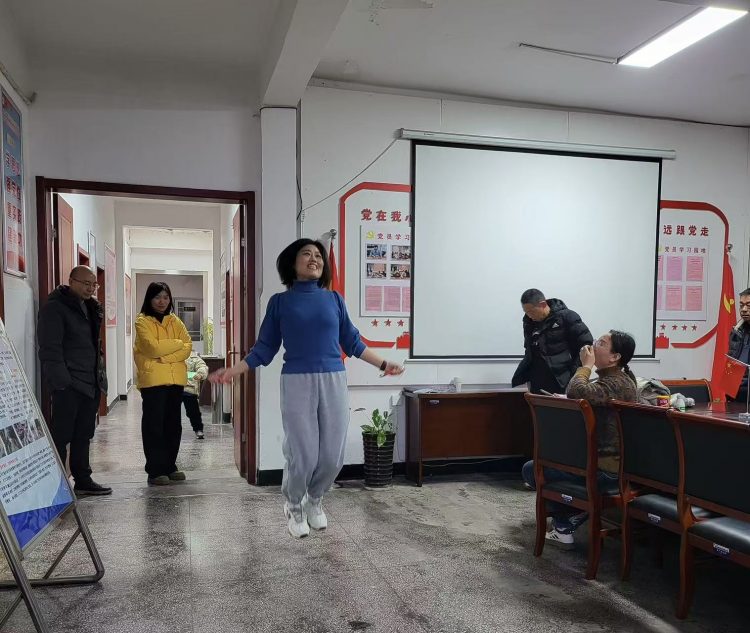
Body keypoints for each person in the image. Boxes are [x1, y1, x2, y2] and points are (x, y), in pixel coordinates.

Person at [209, 238, 404, 539]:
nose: (315, 259)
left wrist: (384, 363)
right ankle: (293, 505)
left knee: (332, 455)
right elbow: (264, 348)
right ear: (292, 262)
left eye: (318, 256)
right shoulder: (280, 302)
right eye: (306, 254)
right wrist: (234, 371)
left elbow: (353, 342)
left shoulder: (334, 300)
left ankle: (315, 499)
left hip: (333, 379)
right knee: (304, 453)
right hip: (297, 381)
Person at [522, 330, 637, 549]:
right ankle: (569, 518)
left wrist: (586, 366)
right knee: (547, 462)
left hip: (607, 471)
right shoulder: (613, 380)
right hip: (602, 463)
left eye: (601, 343)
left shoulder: (617, 383)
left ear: (614, 357)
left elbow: (576, 390)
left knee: (532, 469)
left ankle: (567, 519)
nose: (593, 345)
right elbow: (583, 392)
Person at [37, 265, 111, 496]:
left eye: (93, 284)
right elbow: (49, 349)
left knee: (83, 434)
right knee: (61, 436)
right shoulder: (54, 308)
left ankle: (83, 479)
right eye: (85, 283)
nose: (90, 288)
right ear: (71, 281)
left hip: (90, 382)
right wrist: (62, 382)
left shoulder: (91, 308)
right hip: (68, 385)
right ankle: (56, 486)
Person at [133, 282, 192, 485]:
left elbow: (188, 347)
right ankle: (155, 470)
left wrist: (165, 357)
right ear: (149, 299)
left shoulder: (175, 321)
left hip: (175, 381)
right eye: (157, 297)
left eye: (166, 297)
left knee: (173, 425)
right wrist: (176, 344)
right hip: (153, 381)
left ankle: (170, 466)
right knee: (154, 426)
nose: (162, 301)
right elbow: (152, 348)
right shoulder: (142, 321)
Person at [511, 289, 593, 394]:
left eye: (531, 311)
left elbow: (586, 346)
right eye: (526, 312)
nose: (529, 316)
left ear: (543, 304)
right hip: (537, 382)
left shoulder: (567, 317)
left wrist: (573, 375)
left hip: (561, 381)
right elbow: (528, 349)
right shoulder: (528, 323)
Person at [728, 288, 750, 403]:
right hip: (736, 392)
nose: (744, 309)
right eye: (741, 305)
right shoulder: (736, 331)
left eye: (748, 305)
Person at [183, 351, 209, 439]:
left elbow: (202, 366)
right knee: (170, 410)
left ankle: (198, 429)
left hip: (189, 387)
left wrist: (200, 374)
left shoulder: (192, 357)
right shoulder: (170, 355)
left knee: (193, 411)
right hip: (172, 387)